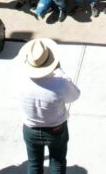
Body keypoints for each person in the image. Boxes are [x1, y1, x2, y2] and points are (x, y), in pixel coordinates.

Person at [17, 38, 80, 174]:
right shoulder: (60, 84)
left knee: (34, 164)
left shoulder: (20, 80)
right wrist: (61, 72)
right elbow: (74, 96)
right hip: (55, 130)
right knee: (57, 162)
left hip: (30, 129)